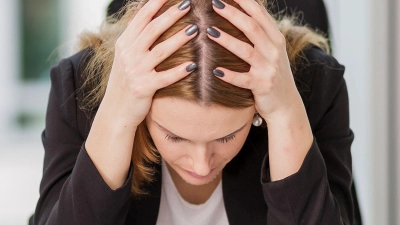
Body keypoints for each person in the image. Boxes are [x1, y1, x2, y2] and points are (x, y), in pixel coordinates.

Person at [33, 0, 356, 224]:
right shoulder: (78, 88)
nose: (201, 165)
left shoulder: (315, 85)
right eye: (174, 136)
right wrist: (117, 115)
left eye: (228, 135)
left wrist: (285, 113)